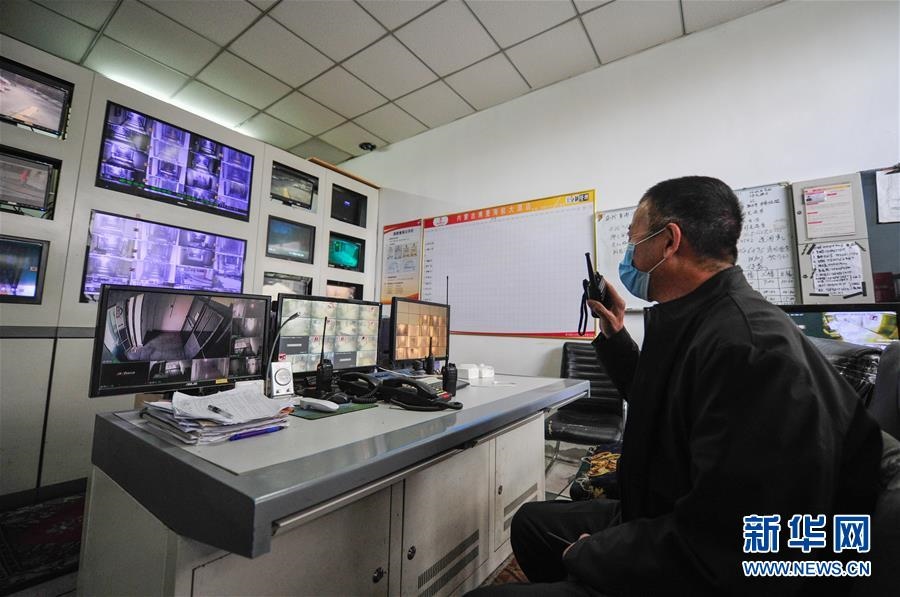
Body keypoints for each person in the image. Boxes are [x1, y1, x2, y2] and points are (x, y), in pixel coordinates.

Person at [468, 176, 883, 596]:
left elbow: (726, 543)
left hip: (703, 560)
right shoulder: (699, 318)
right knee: (532, 523)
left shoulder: (750, 349)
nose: (629, 256)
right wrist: (615, 334)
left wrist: (594, 553)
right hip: (666, 513)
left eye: (633, 241)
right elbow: (659, 404)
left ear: (669, 241)